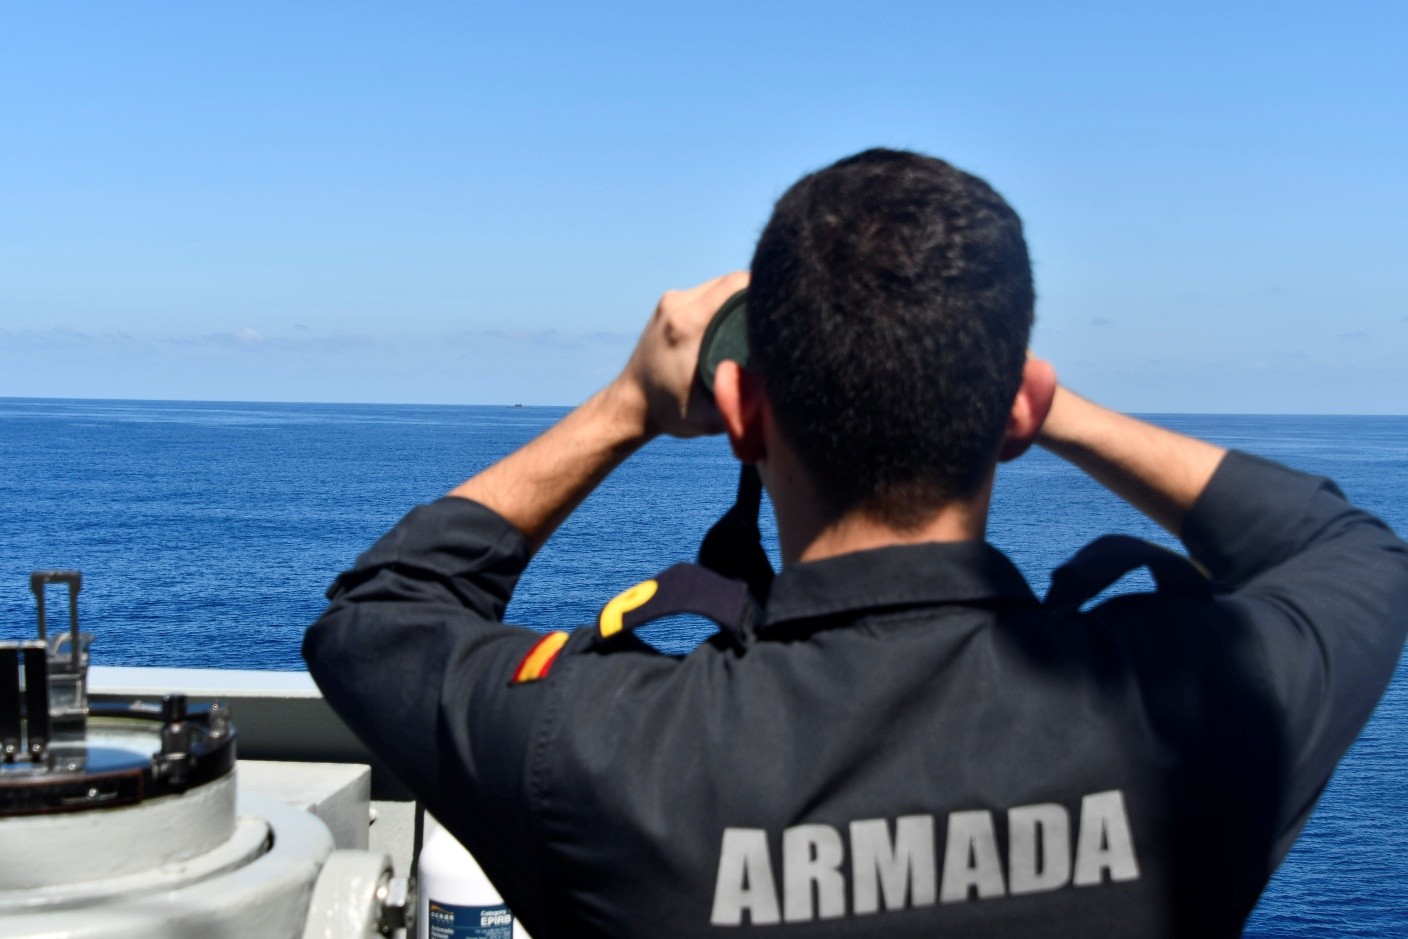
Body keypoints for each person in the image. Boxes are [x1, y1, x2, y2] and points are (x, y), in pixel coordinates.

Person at [304, 149, 1408, 937]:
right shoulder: (1201, 718)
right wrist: (1037, 402)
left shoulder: (599, 755)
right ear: (1015, 409)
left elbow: (377, 618)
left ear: (742, 414)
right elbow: (1347, 551)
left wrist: (626, 405)